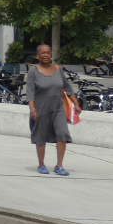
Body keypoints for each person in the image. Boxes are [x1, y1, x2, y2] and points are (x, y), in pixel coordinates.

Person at [25, 43, 78, 176]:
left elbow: (67, 87)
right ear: (37, 55)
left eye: (48, 52)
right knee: (40, 136)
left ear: (51, 54)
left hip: (58, 107)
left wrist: (76, 104)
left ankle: (59, 165)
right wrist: (32, 109)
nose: (46, 55)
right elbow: (30, 92)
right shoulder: (33, 72)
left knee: (62, 134)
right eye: (42, 53)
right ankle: (41, 164)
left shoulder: (58, 69)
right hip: (41, 108)